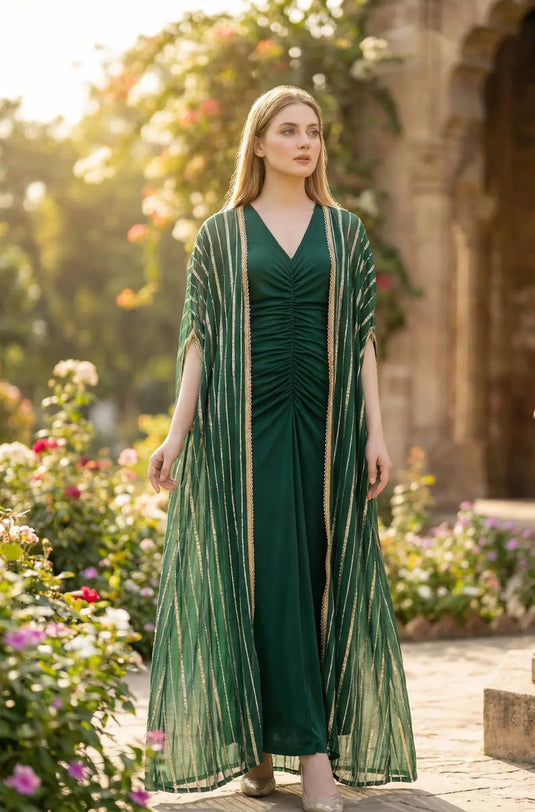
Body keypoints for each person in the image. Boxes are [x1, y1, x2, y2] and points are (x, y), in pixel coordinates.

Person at [145, 85, 417, 812]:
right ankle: (300, 753)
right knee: (255, 578)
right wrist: (178, 432)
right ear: (258, 143)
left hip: (326, 425)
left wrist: (376, 431)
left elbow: (360, 340)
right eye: (288, 130)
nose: (305, 142)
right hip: (243, 427)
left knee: (308, 575)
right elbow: (197, 341)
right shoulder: (220, 234)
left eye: (314, 131)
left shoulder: (344, 232)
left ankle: (282, 751)